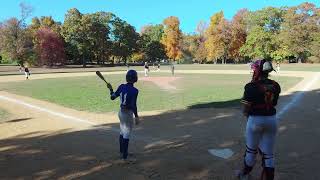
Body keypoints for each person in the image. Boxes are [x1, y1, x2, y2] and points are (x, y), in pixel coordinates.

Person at [237, 59, 281, 180]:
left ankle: (245, 175)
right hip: (272, 120)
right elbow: (274, 103)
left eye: (254, 69)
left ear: (257, 70)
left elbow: (246, 107)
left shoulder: (251, 86)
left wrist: (247, 116)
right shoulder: (276, 85)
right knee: (269, 154)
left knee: (251, 150)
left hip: (255, 120)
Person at [108, 70, 140, 161]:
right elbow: (133, 105)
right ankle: (125, 158)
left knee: (122, 131)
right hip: (127, 114)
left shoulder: (121, 86)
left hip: (120, 113)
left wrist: (110, 89)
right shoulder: (135, 90)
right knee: (127, 133)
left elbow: (112, 97)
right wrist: (136, 116)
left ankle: (122, 151)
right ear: (135, 79)